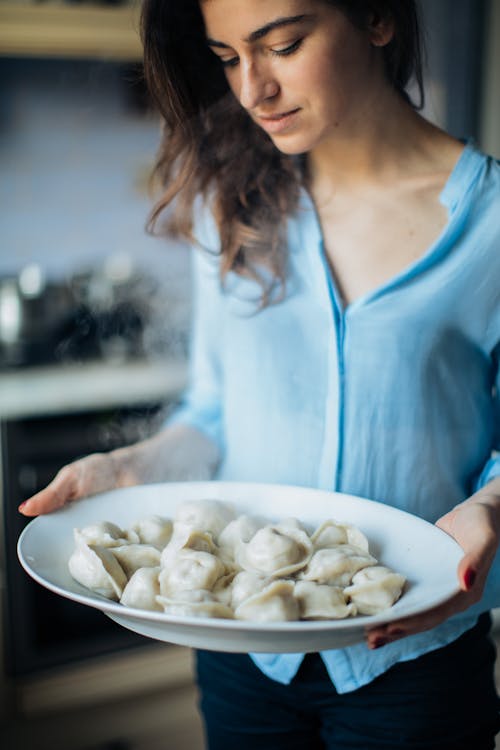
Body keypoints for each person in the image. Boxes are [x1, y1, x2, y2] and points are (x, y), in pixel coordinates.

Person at [19, 0, 500, 747]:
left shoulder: (493, 223)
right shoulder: (231, 204)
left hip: (411, 668)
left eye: (282, 45)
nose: (253, 90)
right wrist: (133, 465)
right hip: (241, 656)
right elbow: (215, 411)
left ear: (377, 18)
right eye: (227, 57)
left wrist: (492, 508)